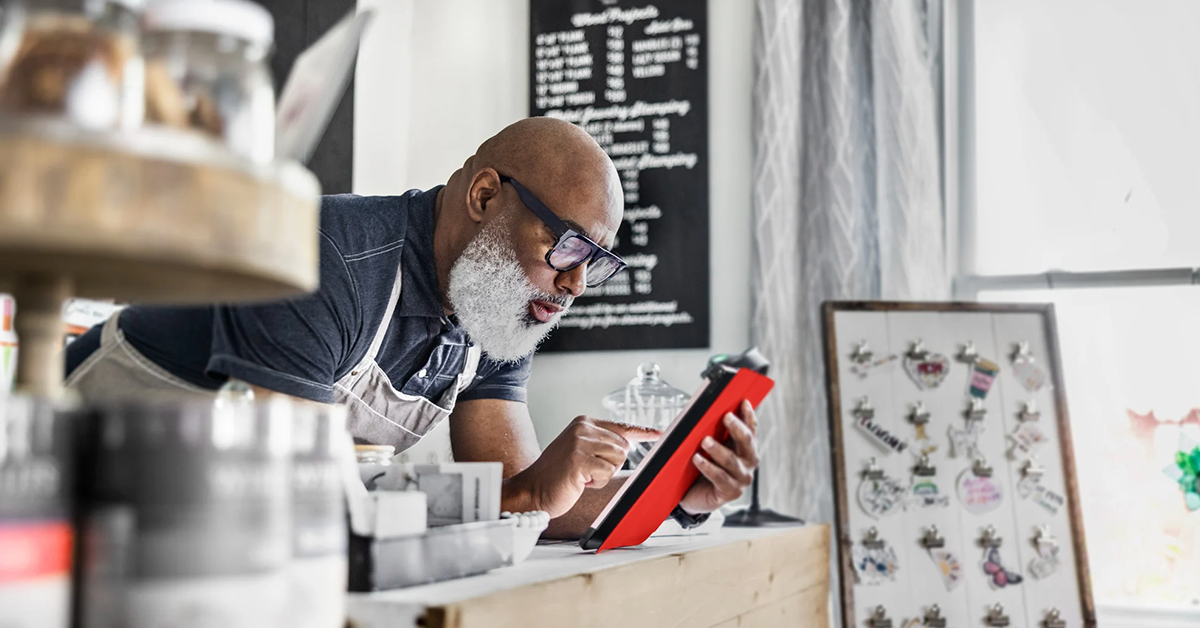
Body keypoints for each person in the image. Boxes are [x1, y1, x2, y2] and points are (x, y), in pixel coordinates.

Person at [64, 117, 759, 537]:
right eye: (569, 247)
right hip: (80, 472)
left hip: (205, 520)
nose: (575, 285)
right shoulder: (325, 256)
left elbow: (524, 499)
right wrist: (515, 500)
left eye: (595, 263)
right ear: (486, 195)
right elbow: (305, 506)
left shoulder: (495, 313)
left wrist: (676, 495)